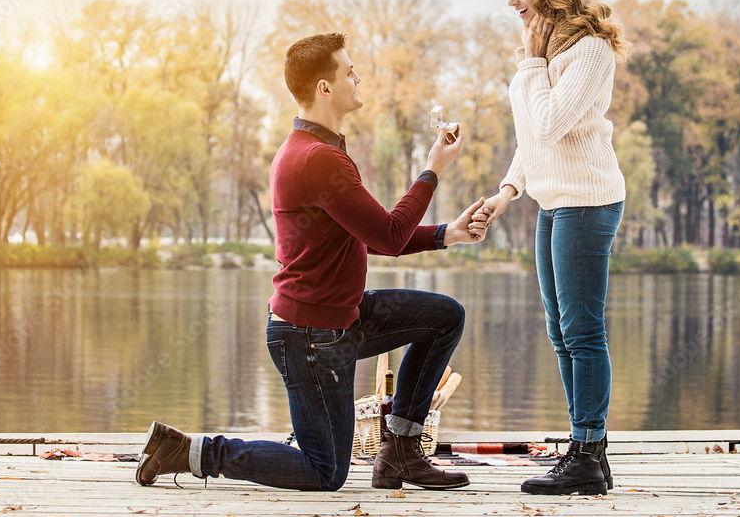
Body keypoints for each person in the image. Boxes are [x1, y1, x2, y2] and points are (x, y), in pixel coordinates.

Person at [137, 32, 489, 492]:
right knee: (324, 471)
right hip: (309, 336)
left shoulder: (318, 151)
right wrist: (432, 169)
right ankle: (189, 451)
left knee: (444, 317)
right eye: (349, 71)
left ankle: (400, 452)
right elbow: (387, 232)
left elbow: (373, 237)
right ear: (325, 87)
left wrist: (449, 234)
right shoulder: (317, 159)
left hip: (341, 318)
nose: (357, 78)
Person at [470, 0, 629, 495]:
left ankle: (589, 451)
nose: (511, 1)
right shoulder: (538, 52)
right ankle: (585, 453)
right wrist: (507, 191)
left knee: (582, 329)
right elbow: (531, 140)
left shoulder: (586, 51)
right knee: (560, 333)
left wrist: (534, 62)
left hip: (588, 199)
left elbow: (553, 124)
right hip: (552, 199)